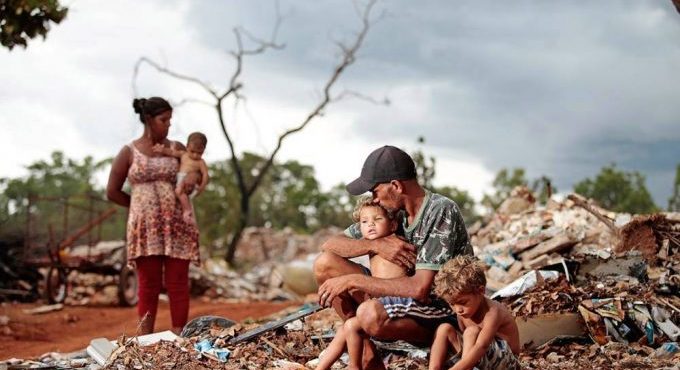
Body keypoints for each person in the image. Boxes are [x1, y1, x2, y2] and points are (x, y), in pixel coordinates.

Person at [314, 145, 473, 369]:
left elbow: (420, 288)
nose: (374, 199)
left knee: (369, 314)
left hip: (439, 310)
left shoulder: (441, 211)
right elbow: (330, 244)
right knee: (324, 264)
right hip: (399, 301)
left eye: (375, 191)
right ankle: (369, 355)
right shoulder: (390, 212)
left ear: (396, 186)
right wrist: (376, 244)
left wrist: (352, 280)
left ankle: (426, 343)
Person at [107, 97, 200, 335]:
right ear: (148, 120)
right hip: (145, 228)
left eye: (170, 120)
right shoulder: (129, 152)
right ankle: (144, 340)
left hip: (177, 225)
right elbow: (112, 191)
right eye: (163, 120)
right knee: (148, 285)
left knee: (177, 283)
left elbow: (195, 172)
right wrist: (138, 207)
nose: (168, 125)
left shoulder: (177, 149)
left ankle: (180, 337)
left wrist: (192, 180)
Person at [316, 196, 406, 370]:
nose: (370, 224)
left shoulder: (396, 242)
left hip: (394, 304)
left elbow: (395, 287)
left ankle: (355, 365)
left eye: (377, 219)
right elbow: (328, 245)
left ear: (393, 225)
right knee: (346, 328)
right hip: (376, 299)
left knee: (349, 326)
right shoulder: (371, 238)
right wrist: (371, 245)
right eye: (364, 222)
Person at [429, 255, 520, 370]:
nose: (458, 309)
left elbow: (481, 345)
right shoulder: (462, 313)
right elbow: (468, 344)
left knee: (471, 331)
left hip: (507, 363)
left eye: (463, 302)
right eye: (452, 304)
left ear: (481, 291)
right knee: (444, 328)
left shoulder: (493, 312)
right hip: (479, 359)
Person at [152, 132, 209, 224]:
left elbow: (205, 174)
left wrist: (202, 186)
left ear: (204, 150)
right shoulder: (184, 154)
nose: (195, 155)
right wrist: (162, 150)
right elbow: (172, 152)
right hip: (180, 178)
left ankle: (187, 210)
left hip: (189, 181)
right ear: (187, 147)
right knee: (180, 194)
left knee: (179, 192)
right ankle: (186, 210)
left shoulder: (201, 162)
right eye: (192, 151)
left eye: (199, 153)